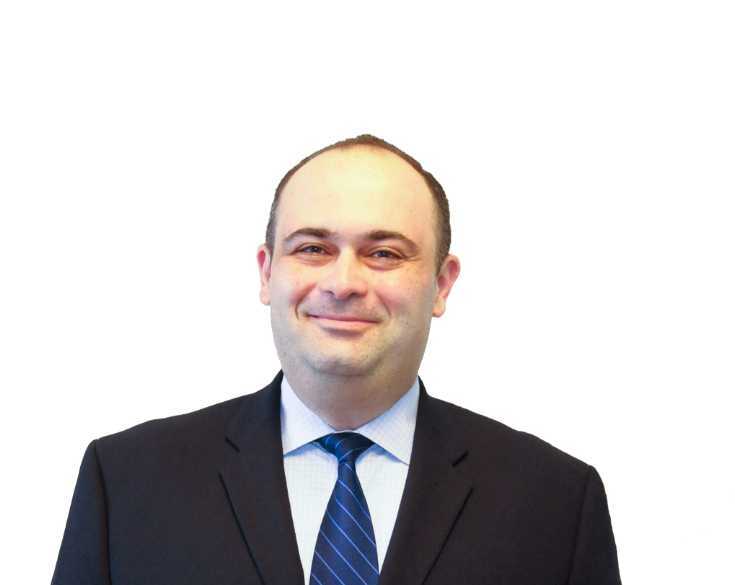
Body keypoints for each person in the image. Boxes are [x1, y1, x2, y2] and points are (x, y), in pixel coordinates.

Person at [52, 134, 622, 585]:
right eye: (313, 248)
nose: (344, 282)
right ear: (267, 272)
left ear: (442, 283)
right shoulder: (126, 484)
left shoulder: (556, 502)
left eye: (383, 253)